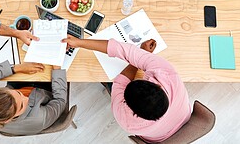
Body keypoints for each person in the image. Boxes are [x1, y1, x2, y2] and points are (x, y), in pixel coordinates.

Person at [62, 36, 191, 143]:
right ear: (158, 86)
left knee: (110, 81)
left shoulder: (126, 119)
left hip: (160, 136)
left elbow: (120, 80)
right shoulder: (168, 74)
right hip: (180, 121)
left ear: (130, 108)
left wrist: (140, 57)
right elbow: (124, 51)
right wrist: (79, 42)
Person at [0, 60, 67, 135]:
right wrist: (57, 69)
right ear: (7, 120)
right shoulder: (39, 118)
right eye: (21, 106)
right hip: (45, 92)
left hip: (22, 85)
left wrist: (16, 68)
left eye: (18, 93)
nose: (26, 98)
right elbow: (60, 100)